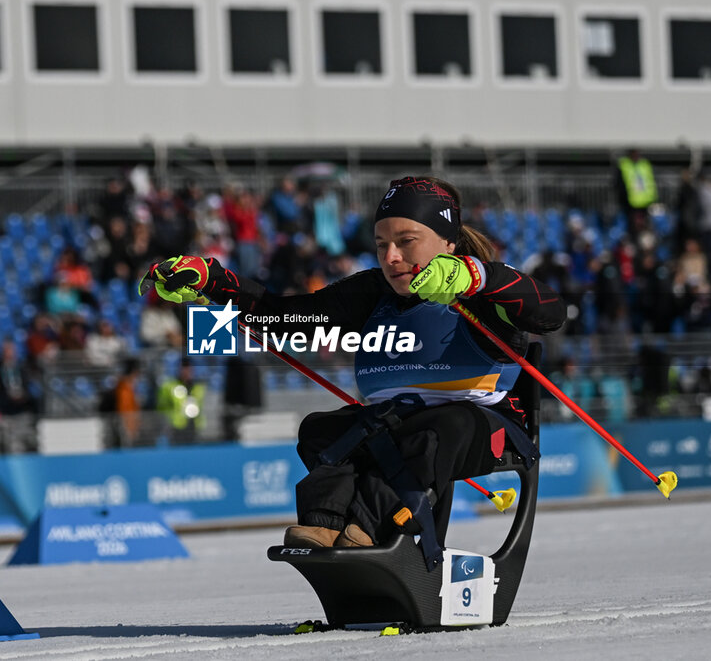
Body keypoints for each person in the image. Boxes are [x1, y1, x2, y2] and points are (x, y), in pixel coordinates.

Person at [141, 176, 565, 551]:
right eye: (382, 245)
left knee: (442, 427)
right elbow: (286, 319)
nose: (392, 257)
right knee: (321, 430)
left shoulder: (484, 287)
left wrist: (478, 277)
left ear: (447, 242)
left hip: (484, 425)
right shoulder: (372, 292)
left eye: (406, 241)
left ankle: (369, 525)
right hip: (398, 423)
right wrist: (218, 283)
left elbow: (550, 311)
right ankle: (327, 525)